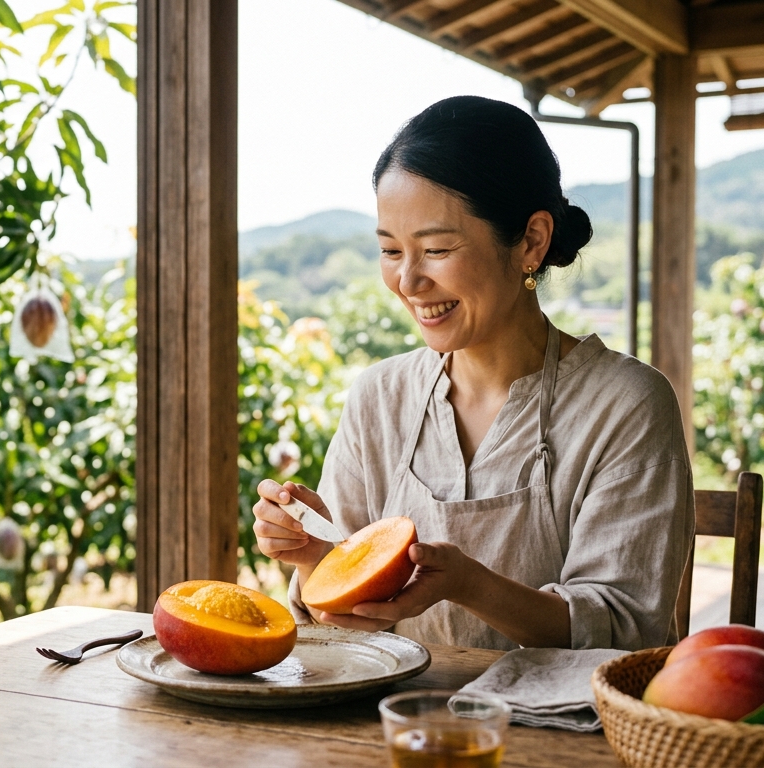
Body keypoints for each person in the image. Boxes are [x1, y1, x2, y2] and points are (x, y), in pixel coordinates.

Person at [252, 96, 694, 652]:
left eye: (436, 249)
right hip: (394, 725)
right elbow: (335, 625)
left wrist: (469, 585)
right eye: (391, 250)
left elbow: (627, 631)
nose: (408, 282)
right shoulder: (379, 397)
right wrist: (315, 557)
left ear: (531, 240)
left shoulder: (625, 404)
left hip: (560, 733)